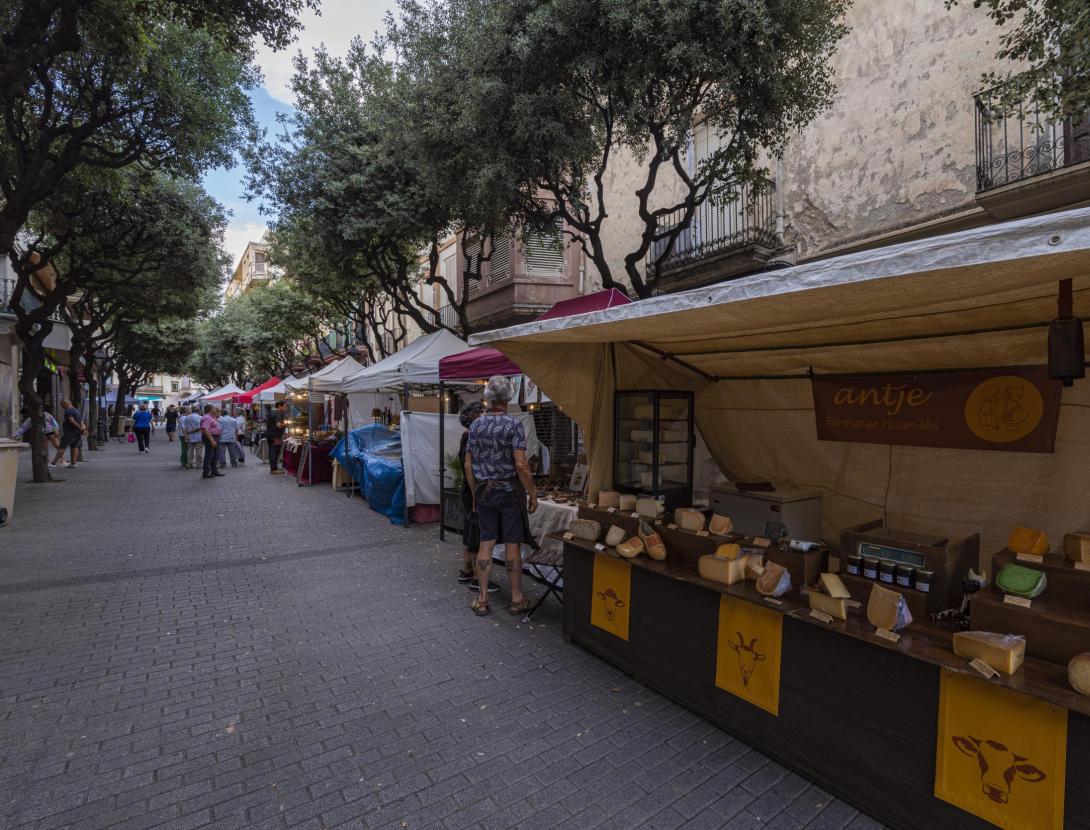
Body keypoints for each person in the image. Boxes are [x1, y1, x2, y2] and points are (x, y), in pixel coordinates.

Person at [464, 376, 538, 617]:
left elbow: (467, 465)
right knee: (512, 543)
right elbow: (521, 465)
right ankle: (517, 598)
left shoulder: (476, 425)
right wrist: (532, 492)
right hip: (509, 492)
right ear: (507, 398)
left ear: (488, 398)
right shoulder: (513, 425)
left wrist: (475, 493)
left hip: (484, 491)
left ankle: (483, 599)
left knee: (486, 542)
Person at [455, 402, 499, 594]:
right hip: (472, 489)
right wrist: (475, 494)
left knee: (470, 529)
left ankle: (467, 569)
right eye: (482, 411)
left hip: (470, 488)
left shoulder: (469, 435)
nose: (485, 414)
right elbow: (468, 466)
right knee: (475, 531)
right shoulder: (469, 435)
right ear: (473, 415)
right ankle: (475, 577)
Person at [53, 399, 86, 468]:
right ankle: (73, 463)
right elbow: (81, 421)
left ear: (66, 404)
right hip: (77, 433)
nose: (62, 407)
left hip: (70, 432)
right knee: (74, 447)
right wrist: (83, 429)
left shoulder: (68, 411)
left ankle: (53, 463)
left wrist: (79, 427)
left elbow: (72, 421)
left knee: (62, 447)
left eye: (62, 405)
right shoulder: (76, 410)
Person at [200, 404, 223, 479]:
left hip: (214, 437)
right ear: (210, 409)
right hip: (210, 437)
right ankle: (206, 472)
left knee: (214, 455)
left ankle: (214, 470)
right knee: (209, 455)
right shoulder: (207, 417)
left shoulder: (211, 417)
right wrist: (212, 440)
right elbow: (205, 430)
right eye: (214, 408)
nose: (215, 409)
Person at [266, 400, 287, 475]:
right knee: (274, 452)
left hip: (270, 435)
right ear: (279, 406)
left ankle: (274, 467)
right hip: (276, 436)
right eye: (284, 406)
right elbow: (278, 425)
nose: (285, 408)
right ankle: (274, 469)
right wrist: (285, 424)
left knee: (272, 451)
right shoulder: (277, 413)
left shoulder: (271, 412)